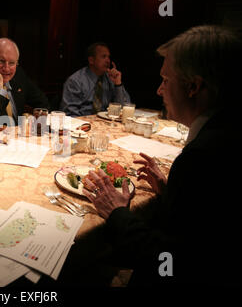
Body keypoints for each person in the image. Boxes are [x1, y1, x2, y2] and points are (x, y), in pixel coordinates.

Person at [79, 25, 242, 286]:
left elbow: (172, 260)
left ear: (193, 87)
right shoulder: (225, 133)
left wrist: (116, 212)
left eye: (166, 80)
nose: (158, 90)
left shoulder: (202, 158)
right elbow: (202, 225)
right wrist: (170, 191)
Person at [60, 42, 131, 116]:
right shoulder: (75, 81)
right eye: (103, 57)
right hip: (82, 124)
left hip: (106, 123)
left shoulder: (110, 78)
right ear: (91, 60)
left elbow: (125, 108)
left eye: (108, 57)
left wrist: (118, 84)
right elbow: (70, 114)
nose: (108, 61)